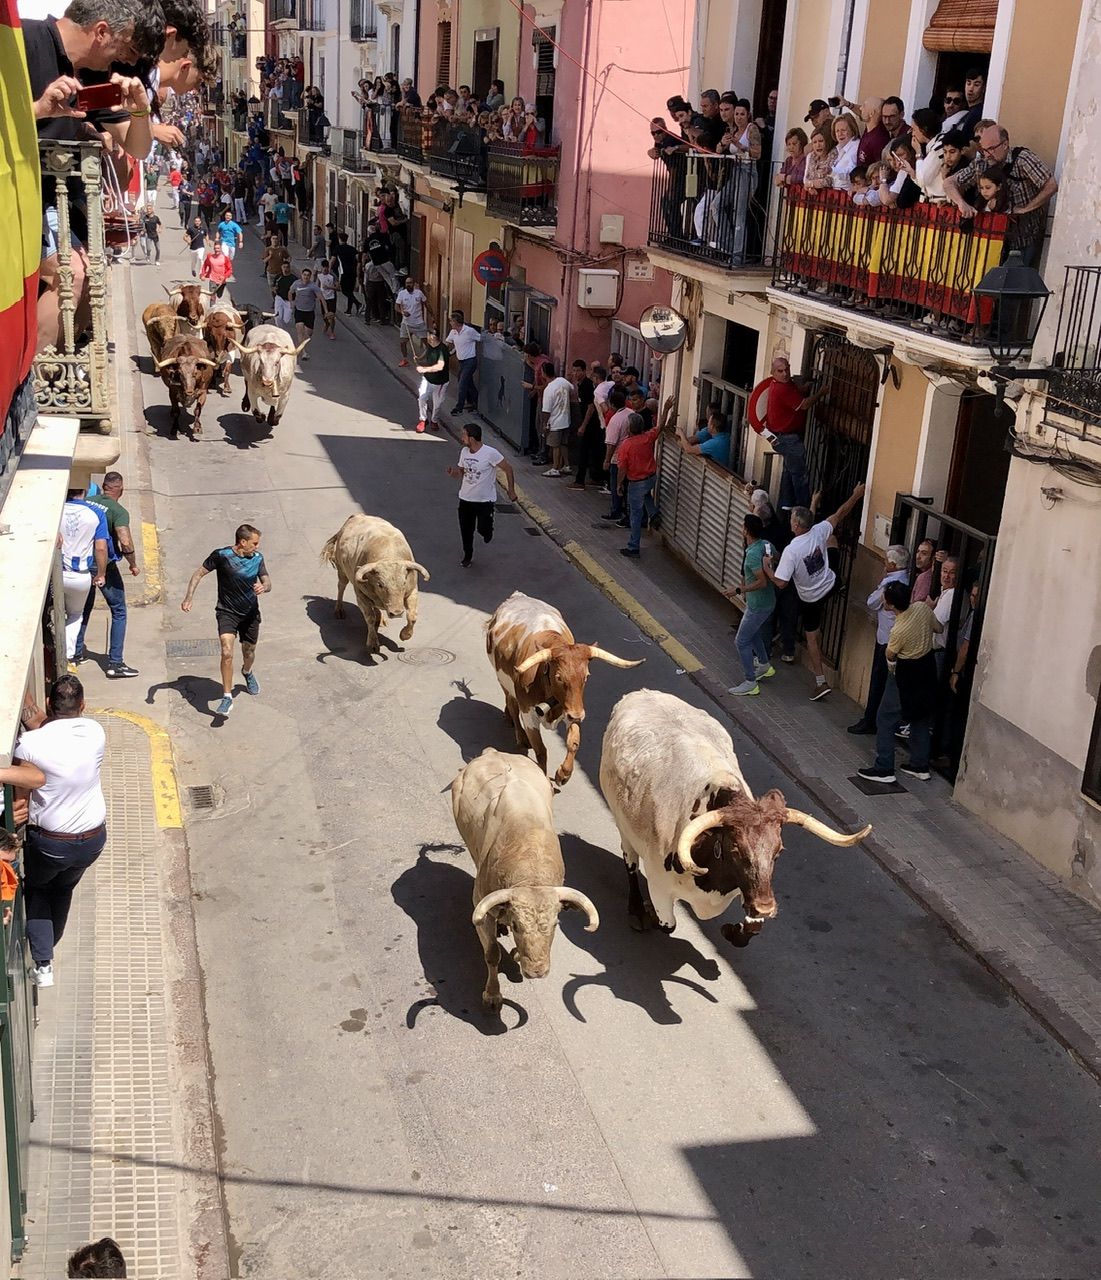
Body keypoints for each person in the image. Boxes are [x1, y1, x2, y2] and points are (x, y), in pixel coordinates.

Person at [14, 674, 107, 988]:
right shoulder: (96, 732)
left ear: (51, 703)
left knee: (38, 889)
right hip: (92, 840)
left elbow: (24, 785)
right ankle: (50, 943)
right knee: (64, 888)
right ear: (83, 705)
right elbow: (48, 728)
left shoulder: (29, 745)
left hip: (52, 842)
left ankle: (43, 964)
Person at [772, 482, 866, 700]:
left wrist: (768, 568)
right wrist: (856, 495)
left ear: (795, 525)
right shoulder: (818, 530)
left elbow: (781, 583)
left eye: (792, 520)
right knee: (831, 538)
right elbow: (841, 512)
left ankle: (820, 681)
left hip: (811, 598)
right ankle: (840, 584)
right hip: (831, 583)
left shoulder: (791, 551)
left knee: (811, 637)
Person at [180, 524, 271, 718]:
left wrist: (264, 587)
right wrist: (189, 597)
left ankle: (247, 672)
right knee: (227, 651)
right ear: (243, 542)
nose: (256, 547)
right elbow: (199, 573)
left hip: (250, 614)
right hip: (226, 612)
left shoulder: (258, 558)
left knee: (249, 651)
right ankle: (227, 696)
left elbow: (267, 581)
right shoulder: (222, 556)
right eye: (254, 543)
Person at [858, 581, 943, 784]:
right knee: (920, 716)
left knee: (886, 717)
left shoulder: (899, 630)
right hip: (928, 667)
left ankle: (884, 767)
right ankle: (919, 765)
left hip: (906, 672)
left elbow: (890, 654)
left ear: (890, 605)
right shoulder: (922, 608)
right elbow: (938, 628)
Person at [944, 124, 1058, 264]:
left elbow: (1051, 185)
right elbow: (949, 183)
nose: (987, 154)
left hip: (1024, 236)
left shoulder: (1023, 159)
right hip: (991, 237)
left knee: (1014, 280)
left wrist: (1025, 209)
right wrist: (962, 204)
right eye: (984, 149)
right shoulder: (981, 163)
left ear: (1005, 144)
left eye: (991, 149)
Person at [74, 471, 140, 678]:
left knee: (83, 608)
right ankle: (115, 663)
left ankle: (75, 653)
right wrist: (133, 564)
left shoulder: (89, 501)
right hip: (104, 567)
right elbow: (125, 541)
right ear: (121, 489)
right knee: (119, 611)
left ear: (103, 486)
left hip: (82, 564)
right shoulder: (118, 511)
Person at [847, 544, 909, 734]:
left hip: (888, 641)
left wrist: (881, 588)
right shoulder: (900, 579)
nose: (883, 564)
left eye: (885, 561)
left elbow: (872, 602)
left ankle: (871, 720)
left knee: (878, 682)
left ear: (892, 564)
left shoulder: (892, 583)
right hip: (886, 637)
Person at [446, 423, 517, 568]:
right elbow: (461, 472)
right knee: (466, 529)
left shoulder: (490, 453)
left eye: (464, 435)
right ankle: (468, 554)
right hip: (466, 498)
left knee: (483, 529)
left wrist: (511, 490)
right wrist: (453, 473)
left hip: (484, 501)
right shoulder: (464, 452)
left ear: (471, 438)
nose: (462, 437)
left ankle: (487, 531)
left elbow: (508, 469)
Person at [725, 512, 778, 695]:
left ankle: (750, 682)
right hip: (764, 602)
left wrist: (739, 590)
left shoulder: (753, 555)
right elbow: (775, 559)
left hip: (759, 605)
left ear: (746, 531)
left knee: (741, 641)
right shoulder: (766, 545)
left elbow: (761, 582)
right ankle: (764, 664)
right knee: (751, 633)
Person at [60, 489, 108, 664]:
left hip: (56, 574)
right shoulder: (95, 513)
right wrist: (101, 573)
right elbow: (101, 548)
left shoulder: (56, 509)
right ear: (85, 490)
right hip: (80, 576)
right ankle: (67, 656)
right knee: (75, 615)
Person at [616, 411, 660, 558]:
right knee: (645, 494)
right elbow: (660, 427)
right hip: (651, 478)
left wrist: (619, 484)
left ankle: (634, 547)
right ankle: (653, 514)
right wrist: (666, 410)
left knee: (635, 515)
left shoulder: (626, 445)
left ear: (629, 428)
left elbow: (622, 468)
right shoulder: (648, 437)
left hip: (636, 481)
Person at [567, 359, 602, 489]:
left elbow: (591, 406)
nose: (575, 373)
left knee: (584, 451)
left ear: (584, 371)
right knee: (593, 451)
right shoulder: (580, 385)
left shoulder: (587, 385)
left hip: (591, 425)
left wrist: (583, 425)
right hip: (589, 424)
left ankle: (580, 481)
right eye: (574, 370)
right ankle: (596, 477)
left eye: (578, 371)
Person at [540, 362, 574, 477]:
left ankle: (555, 468)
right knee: (564, 444)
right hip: (566, 419)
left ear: (544, 373)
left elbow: (546, 410)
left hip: (555, 422)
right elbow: (572, 389)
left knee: (555, 446)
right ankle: (567, 465)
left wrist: (545, 424)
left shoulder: (549, 389)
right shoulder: (563, 381)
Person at [414, 326, 449, 433]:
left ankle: (434, 420)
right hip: (427, 378)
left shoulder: (442, 349)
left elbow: (439, 367)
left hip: (440, 382)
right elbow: (426, 351)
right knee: (422, 398)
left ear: (434, 337)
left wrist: (424, 368)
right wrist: (419, 358)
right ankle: (423, 420)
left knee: (437, 404)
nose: (427, 338)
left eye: (429, 336)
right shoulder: (430, 345)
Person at [445, 311, 481, 415]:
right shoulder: (453, 332)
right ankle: (477, 403)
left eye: (451, 321)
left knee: (462, 383)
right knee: (469, 384)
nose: (450, 323)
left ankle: (458, 408)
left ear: (456, 322)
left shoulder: (469, 331)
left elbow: (480, 338)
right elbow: (447, 342)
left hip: (470, 361)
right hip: (461, 361)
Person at [395, 276, 429, 365]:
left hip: (419, 323)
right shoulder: (401, 294)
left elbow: (426, 304)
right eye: (407, 283)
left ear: (413, 284)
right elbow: (396, 307)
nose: (408, 285)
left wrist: (432, 316)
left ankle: (431, 357)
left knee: (426, 342)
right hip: (406, 323)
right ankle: (404, 359)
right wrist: (403, 312)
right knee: (402, 342)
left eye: (410, 283)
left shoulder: (419, 293)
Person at [289, 267, 320, 355]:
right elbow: (290, 292)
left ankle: (302, 347)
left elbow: (321, 297)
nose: (306, 277)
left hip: (310, 312)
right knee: (300, 331)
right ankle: (303, 352)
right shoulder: (296, 284)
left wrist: (326, 311)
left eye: (308, 275)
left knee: (308, 335)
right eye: (304, 275)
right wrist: (292, 303)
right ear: (301, 275)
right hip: (299, 311)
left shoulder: (313, 286)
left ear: (310, 277)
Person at [856, 97, 890, 168]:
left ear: (871, 113)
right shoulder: (869, 129)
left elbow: (880, 167)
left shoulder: (879, 139)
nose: (860, 108)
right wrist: (847, 104)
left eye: (864, 106)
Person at [315, 258, 337, 339]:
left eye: (326, 267)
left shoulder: (332, 276)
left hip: (331, 298)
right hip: (323, 298)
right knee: (324, 315)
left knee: (331, 315)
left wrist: (329, 287)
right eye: (323, 267)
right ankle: (326, 324)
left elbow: (338, 287)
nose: (325, 269)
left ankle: (332, 332)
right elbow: (317, 286)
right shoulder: (319, 276)